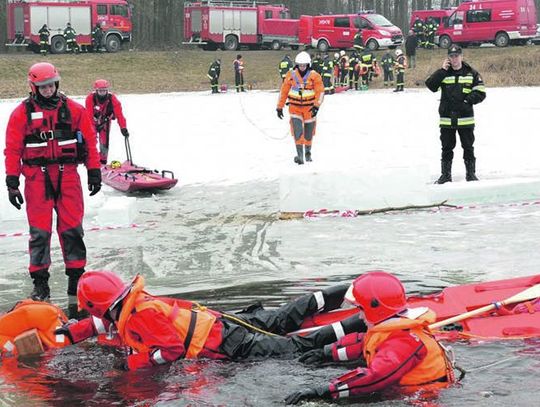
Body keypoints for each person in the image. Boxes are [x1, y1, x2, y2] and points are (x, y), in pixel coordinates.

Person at [54, 270, 364, 370]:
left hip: (225, 342)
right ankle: (343, 291)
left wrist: (133, 364)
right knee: (277, 319)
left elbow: (172, 350)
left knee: (290, 349)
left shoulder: (137, 318)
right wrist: (70, 333)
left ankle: (353, 325)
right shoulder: (133, 304)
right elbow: (102, 324)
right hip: (220, 323)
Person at [4, 62, 101, 302]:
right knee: (39, 233)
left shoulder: (75, 110)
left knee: (72, 230)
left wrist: (94, 171)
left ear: (56, 84)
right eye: (42, 87)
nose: (47, 90)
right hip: (37, 180)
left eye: (50, 85)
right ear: (33, 87)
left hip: (68, 176)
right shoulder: (21, 114)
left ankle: (76, 278)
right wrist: (12, 181)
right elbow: (13, 149)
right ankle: (40, 284)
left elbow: (90, 142)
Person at [285, 271, 456, 405]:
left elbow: (375, 377)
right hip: (404, 392)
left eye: (361, 309)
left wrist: (324, 391)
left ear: (375, 308)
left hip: (420, 399)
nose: (360, 317)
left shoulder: (404, 342)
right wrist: (326, 353)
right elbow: (364, 344)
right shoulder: (394, 330)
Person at [425, 45, 486, 184]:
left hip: (465, 119)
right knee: (446, 148)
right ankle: (445, 176)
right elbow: (430, 85)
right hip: (447, 120)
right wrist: (442, 70)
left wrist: (467, 100)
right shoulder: (444, 73)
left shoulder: (471, 73)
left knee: (468, 147)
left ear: (461, 56)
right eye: (451, 56)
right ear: (448, 58)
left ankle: (471, 175)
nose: (454, 59)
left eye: (456, 56)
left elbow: (481, 92)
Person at [276, 51, 324, 165]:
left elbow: (320, 92)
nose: (302, 67)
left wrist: (316, 106)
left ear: (308, 64)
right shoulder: (290, 75)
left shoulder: (315, 76)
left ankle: (308, 152)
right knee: (297, 131)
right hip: (295, 108)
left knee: (309, 132)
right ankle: (300, 156)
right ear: (297, 65)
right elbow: (284, 91)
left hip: (310, 108)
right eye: (300, 65)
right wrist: (279, 107)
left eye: (304, 65)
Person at [85, 79, 129, 165]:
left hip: (105, 122)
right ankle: (92, 160)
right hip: (92, 122)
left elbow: (119, 114)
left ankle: (103, 161)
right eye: (100, 91)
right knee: (91, 141)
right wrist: (93, 127)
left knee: (104, 143)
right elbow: (88, 115)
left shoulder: (113, 99)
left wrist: (123, 128)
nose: (102, 93)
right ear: (96, 90)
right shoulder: (90, 98)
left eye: (104, 90)